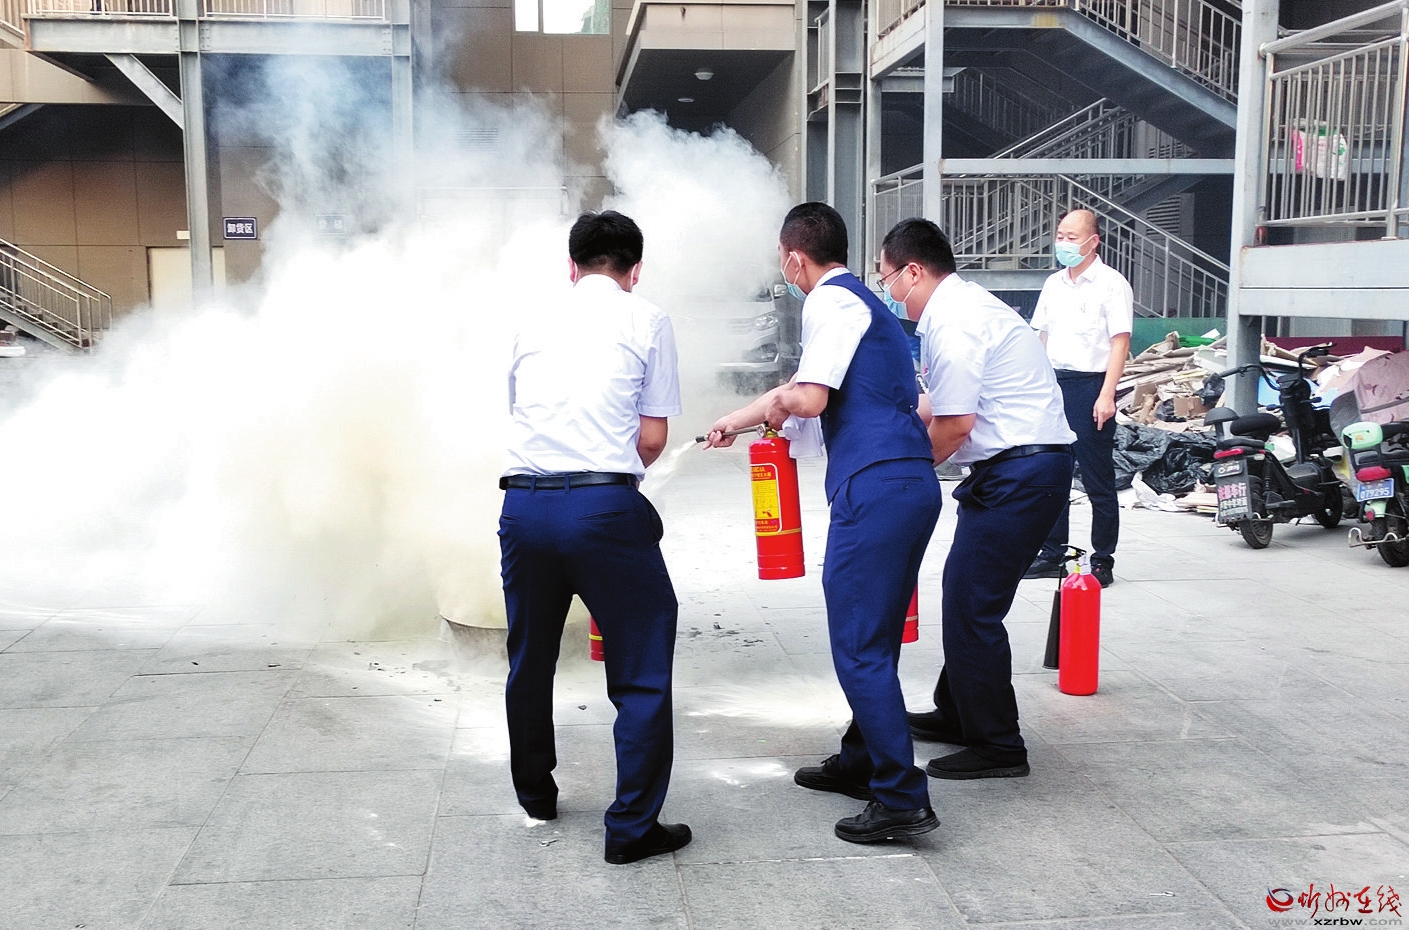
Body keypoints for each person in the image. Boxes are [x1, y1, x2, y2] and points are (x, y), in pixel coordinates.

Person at [706, 202, 942, 844]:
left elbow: (807, 397)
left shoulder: (829, 302)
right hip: (908, 482)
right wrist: (737, 420)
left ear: (793, 259)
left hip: (876, 487)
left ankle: (900, 797)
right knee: (877, 638)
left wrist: (779, 405)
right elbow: (806, 388)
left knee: (858, 646)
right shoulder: (867, 307)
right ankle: (862, 759)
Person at [498, 210, 691, 865]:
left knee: (529, 658)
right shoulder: (648, 319)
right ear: (635, 271)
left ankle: (536, 796)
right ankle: (632, 828)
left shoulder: (529, 321)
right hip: (604, 509)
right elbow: (652, 437)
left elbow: (521, 410)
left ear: (571, 266)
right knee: (641, 669)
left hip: (524, 506)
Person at [877, 218, 1076, 779]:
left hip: (1021, 473)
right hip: (1016, 470)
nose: (889, 291)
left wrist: (906, 475)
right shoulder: (962, 308)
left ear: (913, 271)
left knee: (972, 604)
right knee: (966, 594)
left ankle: (999, 746)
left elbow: (955, 424)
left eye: (887, 279)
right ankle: (958, 712)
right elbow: (937, 405)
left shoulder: (955, 321)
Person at [1024, 208, 1132, 588]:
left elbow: (1120, 343)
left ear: (1093, 241)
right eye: (1060, 236)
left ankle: (1103, 559)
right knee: (1053, 474)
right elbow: (1041, 336)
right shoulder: (1053, 284)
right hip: (1055, 385)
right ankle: (1053, 551)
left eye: (1072, 237)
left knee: (1097, 479)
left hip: (1091, 387)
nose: (1064, 243)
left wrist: (1107, 395)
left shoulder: (1111, 284)